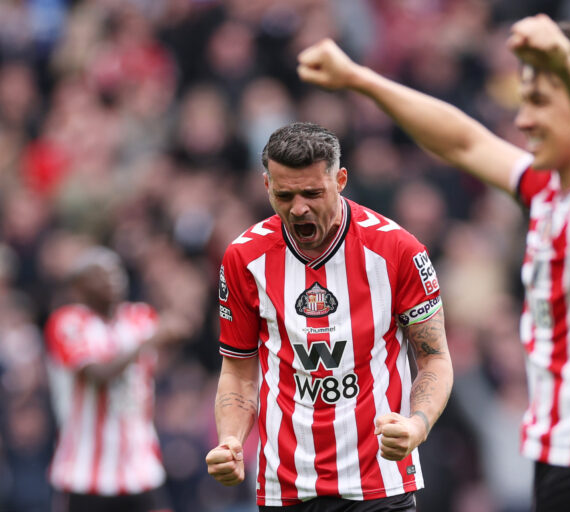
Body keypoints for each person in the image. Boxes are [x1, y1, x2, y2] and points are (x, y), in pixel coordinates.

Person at [297, 14, 570, 512]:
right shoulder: (549, 190)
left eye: (539, 102)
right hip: (561, 452)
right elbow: (464, 142)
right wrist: (359, 78)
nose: (523, 120)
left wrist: (564, 61)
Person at [205, 122, 453, 511]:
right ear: (266, 186)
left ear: (340, 180)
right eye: (284, 195)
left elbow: (435, 357)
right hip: (284, 484)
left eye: (312, 193)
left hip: (379, 482)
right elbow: (237, 370)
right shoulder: (244, 258)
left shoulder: (398, 250)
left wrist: (416, 426)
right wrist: (231, 440)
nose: (298, 207)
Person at [44, 246, 190, 512]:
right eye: (102, 273)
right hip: (85, 471)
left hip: (141, 465)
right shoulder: (67, 322)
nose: (114, 277)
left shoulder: (139, 316)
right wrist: (149, 341)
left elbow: (178, 331)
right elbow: (97, 375)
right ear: (79, 286)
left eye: (117, 270)